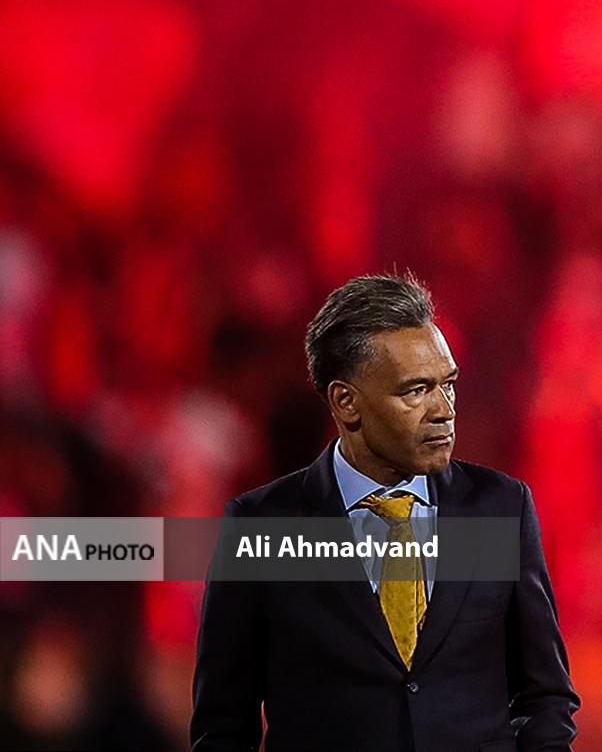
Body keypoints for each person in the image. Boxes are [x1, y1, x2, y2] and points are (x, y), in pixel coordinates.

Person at [192, 273, 579, 752]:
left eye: (449, 385)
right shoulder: (261, 525)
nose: (443, 410)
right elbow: (223, 725)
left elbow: (545, 695)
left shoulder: (501, 508)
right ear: (346, 402)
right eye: (416, 391)